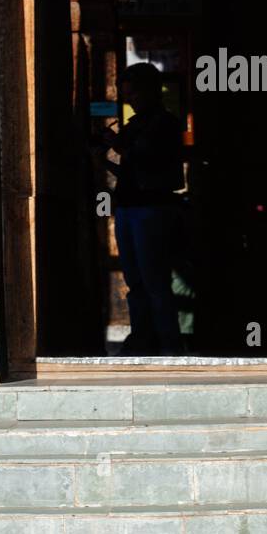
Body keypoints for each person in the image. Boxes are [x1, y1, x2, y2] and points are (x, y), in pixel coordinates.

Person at [97, 62, 185, 355]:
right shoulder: (135, 124)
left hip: (152, 209)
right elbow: (132, 171)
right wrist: (104, 160)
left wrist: (117, 145)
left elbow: (147, 157)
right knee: (135, 281)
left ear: (149, 91)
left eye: (133, 94)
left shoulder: (165, 123)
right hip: (130, 207)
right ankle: (143, 340)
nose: (130, 101)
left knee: (154, 280)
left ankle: (168, 345)